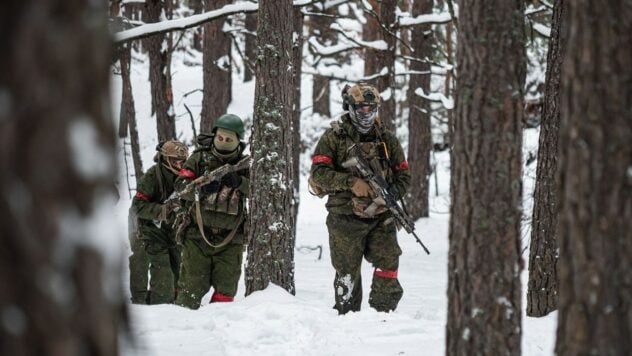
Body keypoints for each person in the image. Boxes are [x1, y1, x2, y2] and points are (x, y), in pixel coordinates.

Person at [309, 83, 411, 314]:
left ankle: (382, 315)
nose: (366, 113)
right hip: (344, 217)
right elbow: (318, 174)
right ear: (351, 107)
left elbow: (404, 176)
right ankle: (347, 318)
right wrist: (351, 183)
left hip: (380, 216)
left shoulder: (387, 139)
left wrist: (391, 194)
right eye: (361, 108)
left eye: (371, 108)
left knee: (388, 259)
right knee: (347, 272)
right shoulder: (334, 137)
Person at [174, 113, 250, 309]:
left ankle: (215, 334)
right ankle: (184, 329)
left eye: (229, 139)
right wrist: (200, 189)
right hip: (197, 237)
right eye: (220, 138)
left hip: (230, 241)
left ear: (237, 141)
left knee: (226, 293)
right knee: (190, 291)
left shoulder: (246, 164)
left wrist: (240, 182)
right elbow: (180, 186)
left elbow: (263, 192)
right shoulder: (199, 159)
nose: (223, 142)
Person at [131, 140, 189, 304]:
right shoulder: (152, 177)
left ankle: (176, 302)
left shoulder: (185, 177)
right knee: (161, 270)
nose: (179, 164)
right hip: (147, 228)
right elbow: (137, 206)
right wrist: (162, 210)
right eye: (175, 160)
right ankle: (156, 305)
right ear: (165, 159)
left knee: (178, 265)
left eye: (182, 161)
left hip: (171, 230)